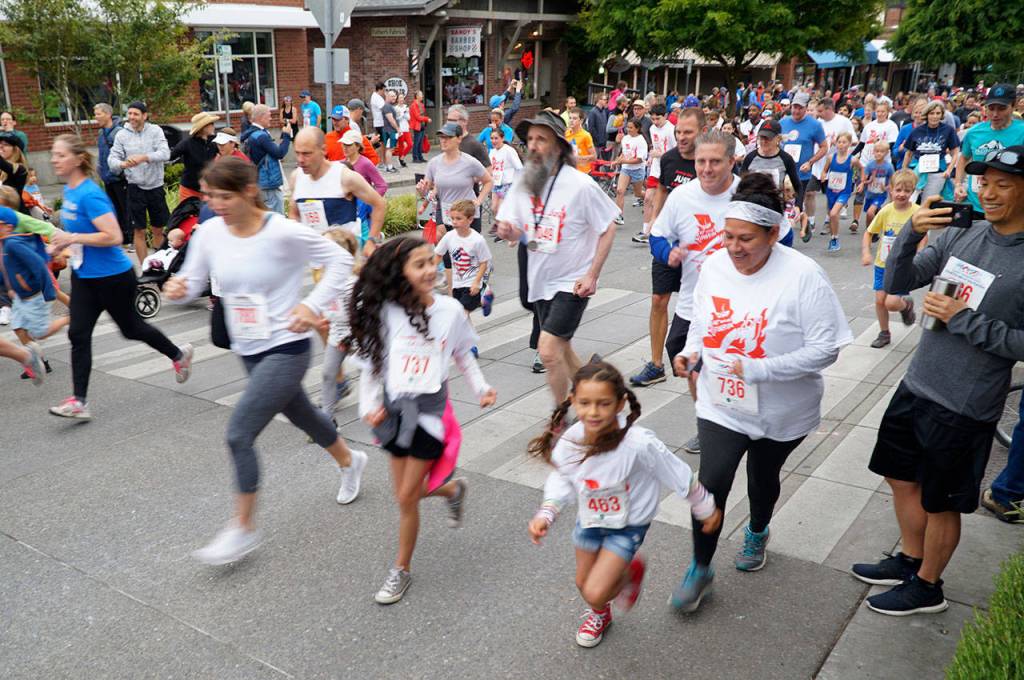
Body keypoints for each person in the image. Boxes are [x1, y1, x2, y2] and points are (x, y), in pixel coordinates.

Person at [163, 158, 367, 565]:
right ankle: (350, 460)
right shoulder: (210, 234)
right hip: (248, 348)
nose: (215, 205)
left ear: (249, 191)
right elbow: (196, 280)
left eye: (224, 196)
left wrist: (311, 305)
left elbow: (341, 261)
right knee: (304, 415)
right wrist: (180, 287)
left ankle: (242, 528)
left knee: (239, 433)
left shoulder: (282, 231)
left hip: (286, 347)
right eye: (210, 197)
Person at [851, 148, 1024, 616]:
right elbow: (899, 281)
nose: (988, 193)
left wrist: (965, 319)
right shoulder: (962, 233)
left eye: (1003, 185)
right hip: (919, 381)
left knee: (941, 501)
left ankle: (928, 586)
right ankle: (911, 559)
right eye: (984, 183)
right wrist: (912, 231)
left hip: (965, 402)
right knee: (898, 475)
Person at [670, 172, 852, 612]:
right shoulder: (715, 266)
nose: (734, 248)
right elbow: (702, 320)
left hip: (782, 411)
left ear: (773, 234)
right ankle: (700, 567)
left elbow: (826, 349)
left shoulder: (803, 275)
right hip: (722, 402)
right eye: (728, 235)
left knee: (762, 479)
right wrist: (691, 352)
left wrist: (762, 369)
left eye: (746, 238)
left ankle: (756, 530)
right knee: (711, 483)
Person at [526, 360, 720, 648]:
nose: (593, 412)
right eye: (585, 403)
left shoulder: (637, 443)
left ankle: (629, 572)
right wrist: (547, 512)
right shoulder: (572, 439)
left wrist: (704, 506)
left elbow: (675, 471)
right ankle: (601, 614)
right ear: (573, 401)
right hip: (589, 521)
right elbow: (562, 476)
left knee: (595, 591)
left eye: (603, 404)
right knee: (583, 584)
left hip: (627, 526)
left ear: (619, 404)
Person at [349, 237, 497, 604]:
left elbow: (463, 354)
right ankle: (452, 490)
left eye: (432, 261)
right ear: (400, 272)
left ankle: (401, 569)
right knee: (405, 496)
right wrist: (368, 405)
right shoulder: (387, 312)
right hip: (393, 414)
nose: (431, 270)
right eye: (420, 264)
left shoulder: (450, 310)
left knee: (406, 498)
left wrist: (481, 388)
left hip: (430, 416)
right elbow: (371, 365)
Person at [48, 134, 193, 421]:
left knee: (132, 329)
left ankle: (178, 355)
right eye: (53, 154)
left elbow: (114, 236)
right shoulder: (70, 190)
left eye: (61, 155)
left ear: (78, 159)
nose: (54, 160)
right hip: (84, 275)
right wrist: (60, 245)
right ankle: (79, 402)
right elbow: (79, 235)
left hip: (113, 276)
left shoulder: (90, 194)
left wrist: (72, 238)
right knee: (78, 333)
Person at [495, 110, 619, 403]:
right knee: (562, 349)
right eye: (530, 139)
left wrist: (592, 275)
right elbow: (519, 233)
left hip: (571, 282)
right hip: (541, 279)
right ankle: (598, 395)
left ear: (559, 147)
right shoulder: (526, 182)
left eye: (542, 139)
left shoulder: (580, 185)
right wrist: (509, 231)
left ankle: (560, 415)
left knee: (548, 350)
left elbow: (608, 226)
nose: (533, 145)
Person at [643, 129, 739, 456]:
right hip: (692, 302)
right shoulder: (682, 197)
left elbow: (780, 238)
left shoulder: (746, 194)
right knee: (691, 369)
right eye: (701, 162)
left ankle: (723, 425)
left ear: (732, 161)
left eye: (715, 162)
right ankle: (708, 421)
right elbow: (657, 235)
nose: (707, 169)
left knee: (722, 370)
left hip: (737, 306)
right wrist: (666, 253)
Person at [629, 108, 704, 391]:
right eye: (678, 132)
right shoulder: (669, 159)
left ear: (702, 131)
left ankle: (701, 362)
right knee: (659, 299)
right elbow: (661, 189)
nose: (681, 137)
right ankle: (656, 364)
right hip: (668, 242)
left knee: (699, 304)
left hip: (699, 246)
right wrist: (654, 224)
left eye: (688, 132)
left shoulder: (709, 162)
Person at [287, 127, 386, 257]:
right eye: (297, 153)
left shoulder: (345, 177)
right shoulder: (296, 177)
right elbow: (294, 214)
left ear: (323, 150)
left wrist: (371, 241)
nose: (300, 159)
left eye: (307, 154)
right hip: (314, 258)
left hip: (345, 257)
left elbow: (379, 204)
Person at [860, 169, 920, 348]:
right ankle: (884, 332)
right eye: (898, 190)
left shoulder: (917, 212)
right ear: (891, 190)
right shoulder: (886, 211)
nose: (902, 194)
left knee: (892, 303)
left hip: (903, 266)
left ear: (913, 191)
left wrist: (919, 254)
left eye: (907, 191)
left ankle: (905, 306)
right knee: (880, 301)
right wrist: (866, 252)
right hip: (882, 264)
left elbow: (923, 236)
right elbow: (869, 233)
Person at [107, 101, 171, 267]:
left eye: (135, 114)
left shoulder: (155, 131)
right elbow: (112, 160)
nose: (132, 117)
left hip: (155, 186)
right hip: (134, 187)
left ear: (144, 116)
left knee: (158, 229)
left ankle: (159, 267)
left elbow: (165, 153)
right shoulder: (121, 135)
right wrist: (122, 164)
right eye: (129, 114)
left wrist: (145, 157)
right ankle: (145, 269)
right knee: (139, 230)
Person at [955, 84, 1024, 216]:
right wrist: (958, 184)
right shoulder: (974, 132)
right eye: (991, 108)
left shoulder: (1022, 131)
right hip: (974, 204)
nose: (995, 114)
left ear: (1013, 105)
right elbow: (964, 158)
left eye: (1002, 108)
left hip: (1010, 208)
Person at [416, 121, 492, 239]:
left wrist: (479, 200)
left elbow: (488, 181)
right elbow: (426, 191)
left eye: (448, 137)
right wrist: (422, 191)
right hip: (448, 214)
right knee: (447, 248)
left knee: (468, 249)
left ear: (459, 139)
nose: (443, 140)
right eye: (441, 137)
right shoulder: (434, 163)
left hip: (467, 214)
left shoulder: (470, 162)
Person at [739, 119, 804, 245]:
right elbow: (740, 187)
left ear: (778, 139)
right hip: (753, 215)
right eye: (761, 138)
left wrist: (798, 206)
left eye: (768, 138)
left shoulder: (785, 159)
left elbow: (798, 186)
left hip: (776, 214)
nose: (763, 141)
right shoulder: (750, 158)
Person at [317, 228, 360, 416]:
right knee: (328, 373)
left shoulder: (351, 282)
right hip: (337, 333)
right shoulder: (326, 281)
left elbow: (362, 313)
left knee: (371, 374)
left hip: (359, 334)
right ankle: (326, 417)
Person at [433, 199, 492, 316]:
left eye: (458, 218)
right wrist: (429, 272)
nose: (454, 222)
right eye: (452, 218)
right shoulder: (449, 237)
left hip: (472, 283)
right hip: (457, 283)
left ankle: (483, 293)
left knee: (460, 314)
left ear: (470, 219)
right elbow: (438, 255)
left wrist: (476, 282)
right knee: (462, 317)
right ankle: (485, 298)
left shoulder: (477, 240)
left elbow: (484, 263)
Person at [780, 93, 827, 235]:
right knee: (784, 202)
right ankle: (787, 229)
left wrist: (810, 162)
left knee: (798, 203)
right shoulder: (783, 122)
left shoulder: (815, 125)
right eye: (794, 107)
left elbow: (824, 147)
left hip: (802, 172)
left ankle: (805, 221)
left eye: (800, 108)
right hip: (784, 171)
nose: (796, 110)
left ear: (806, 108)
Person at [632, 104, 675, 243]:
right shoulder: (651, 128)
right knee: (647, 198)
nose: (655, 122)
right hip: (656, 168)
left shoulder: (672, 130)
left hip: (668, 169)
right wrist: (651, 157)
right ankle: (645, 231)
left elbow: (677, 151)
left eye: (658, 119)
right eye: (653, 119)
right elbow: (655, 147)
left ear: (666, 116)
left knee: (662, 202)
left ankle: (658, 230)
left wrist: (660, 154)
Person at [903, 101, 960, 202]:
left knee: (927, 202)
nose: (935, 116)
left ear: (942, 115)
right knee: (909, 201)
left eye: (938, 113)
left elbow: (955, 152)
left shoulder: (948, 130)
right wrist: (904, 170)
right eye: (932, 113)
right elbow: (908, 153)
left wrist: (949, 170)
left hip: (938, 172)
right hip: (917, 171)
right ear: (927, 114)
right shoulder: (917, 131)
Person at [245, 103, 293, 215]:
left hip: (261, 183)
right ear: (261, 117)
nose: (271, 118)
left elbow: (272, 150)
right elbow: (279, 153)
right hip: (268, 185)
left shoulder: (251, 133)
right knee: (276, 217)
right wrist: (286, 135)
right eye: (269, 115)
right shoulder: (261, 136)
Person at [93, 103, 130, 245]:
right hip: (107, 178)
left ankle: (129, 238)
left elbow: (126, 154)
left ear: (108, 114)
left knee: (125, 209)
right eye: (95, 114)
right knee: (114, 209)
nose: (96, 117)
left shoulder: (119, 132)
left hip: (119, 178)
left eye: (98, 114)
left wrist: (120, 171)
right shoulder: (101, 133)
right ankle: (120, 237)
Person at [821, 132, 860, 250]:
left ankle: (835, 238)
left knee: (834, 213)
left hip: (844, 192)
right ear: (836, 143)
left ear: (849, 144)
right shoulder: (830, 158)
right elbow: (824, 170)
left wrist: (862, 182)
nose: (841, 144)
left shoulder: (852, 160)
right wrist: (823, 175)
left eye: (844, 142)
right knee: (832, 215)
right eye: (839, 142)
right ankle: (834, 237)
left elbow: (862, 169)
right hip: (831, 191)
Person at [169, 112, 219, 202]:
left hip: (208, 189)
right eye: (211, 124)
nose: (213, 126)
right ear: (203, 127)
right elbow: (169, 156)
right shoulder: (187, 143)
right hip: (189, 190)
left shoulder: (215, 142)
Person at [613, 119, 648, 226]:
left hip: (638, 169)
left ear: (637, 128)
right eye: (627, 127)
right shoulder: (625, 138)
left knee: (638, 193)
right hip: (626, 169)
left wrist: (623, 161)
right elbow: (624, 153)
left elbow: (639, 160)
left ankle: (653, 199)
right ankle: (619, 216)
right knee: (620, 191)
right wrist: (617, 161)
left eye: (631, 127)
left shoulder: (641, 141)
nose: (628, 129)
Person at [858, 140, 896, 232]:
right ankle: (871, 230)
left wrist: (888, 189)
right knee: (870, 213)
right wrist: (862, 184)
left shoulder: (889, 166)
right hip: (870, 194)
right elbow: (864, 178)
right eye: (877, 151)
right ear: (873, 152)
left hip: (881, 194)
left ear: (886, 153)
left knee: (870, 213)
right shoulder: (870, 165)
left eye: (882, 151)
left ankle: (871, 232)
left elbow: (892, 181)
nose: (879, 153)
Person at [488, 129, 522, 218]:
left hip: (508, 184)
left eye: (496, 138)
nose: (493, 141)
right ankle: (498, 225)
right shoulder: (492, 152)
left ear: (502, 138)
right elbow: (490, 168)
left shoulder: (508, 150)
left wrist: (517, 184)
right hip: (496, 183)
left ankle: (503, 225)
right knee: (494, 209)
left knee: (501, 210)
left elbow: (519, 167)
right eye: (492, 138)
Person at [445, 104, 491, 169]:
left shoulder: (475, 145)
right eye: (448, 120)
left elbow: (488, 170)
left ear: (465, 121)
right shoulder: (446, 141)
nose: (449, 123)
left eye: (453, 120)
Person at [0, 130, 28, 213]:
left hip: (15, 214)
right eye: (0, 144)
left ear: (15, 150)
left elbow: (5, 165)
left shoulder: (20, 169)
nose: (1, 146)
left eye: (6, 144)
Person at [565, 108, 596, 174]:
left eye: (574, 118)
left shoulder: (586, 135)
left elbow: (594, 157)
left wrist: (579, 158)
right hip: (569, 170)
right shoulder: (566, 133)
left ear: (581, 121)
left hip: (582, 172)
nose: (571, 120)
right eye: (570, 118)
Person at [380, 90, 400, 173]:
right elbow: (391, 120)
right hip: (390, 131)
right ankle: (389, 167)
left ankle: (388, 166)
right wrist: (398, 129)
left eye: (395, 96)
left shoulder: (388, 106)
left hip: (389, 130)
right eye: (392, 96)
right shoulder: (387, 107)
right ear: (387, 96)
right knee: (390, 149)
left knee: (389, 149)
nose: (394, 98)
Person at [585, 93, 610, 159]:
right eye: (605, 99)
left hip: (603, 143)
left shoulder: (604, 111)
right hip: (596, 144)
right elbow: (591, 128)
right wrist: (598, 139)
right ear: (599, 100)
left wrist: (605, 138)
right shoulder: (592, 112)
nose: (606, 101)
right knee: (594, 161)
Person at [409, 90, 431, 163]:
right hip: (417, 126)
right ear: (417, 96)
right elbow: (417, 117)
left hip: (422, 125)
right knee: (417, 142)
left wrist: (425, 119)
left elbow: (423, 114)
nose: (422, 96)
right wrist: (427, 119)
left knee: (420, 142)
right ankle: (415, 158)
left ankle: (420, 157)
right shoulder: (413, 105)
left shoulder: (421, 104)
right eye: (421, 95)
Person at [394, 91, 412, 168]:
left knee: (410, 144)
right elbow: (397, 118)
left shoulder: (406, 107)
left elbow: (409, 118)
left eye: (402, 98)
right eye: (400, 98)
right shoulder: (395, 108)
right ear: (397, 99)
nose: (401, 99)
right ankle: (401, 160)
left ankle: (401, 157)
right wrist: (402, 114)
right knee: (401, 145)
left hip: (406, 128)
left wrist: (405, 113)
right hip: (400, 129)